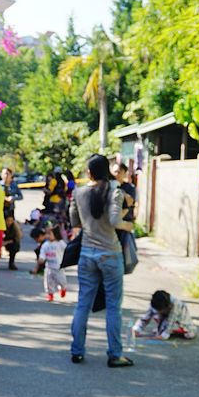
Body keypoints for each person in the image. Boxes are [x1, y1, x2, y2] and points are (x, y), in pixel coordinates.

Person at [69, 154, 135, 368]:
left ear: (89, 173)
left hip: (87, 253)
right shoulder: (114, 192)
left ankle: (77, 351)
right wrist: (128, 225)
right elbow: (115, 220)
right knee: (114, 307)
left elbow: (75, 221)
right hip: (110, 254)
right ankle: (115, 355)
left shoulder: (78, 193)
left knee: (83, 304)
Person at [133, 290, 197, 340]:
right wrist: (137, 329)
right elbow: (146, 317)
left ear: (167, 306)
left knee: (188, 335)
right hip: (167, 318)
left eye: (160, 311)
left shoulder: (176, 304)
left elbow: (171, 321)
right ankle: (164, 329)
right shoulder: (155, 302)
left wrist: (163, 335)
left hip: (181, 322)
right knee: (155, 315)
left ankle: (168, 330)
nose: (159, 312)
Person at [39, 225, 67, 301]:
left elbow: (67, 249)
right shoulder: (45, 245)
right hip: (49, 267)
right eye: (47, 234)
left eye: (50, 234)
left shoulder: (60, 243)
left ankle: (63, 288)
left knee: (61, 281)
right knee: (48, 282)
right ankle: (50, 294)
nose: (48, 236)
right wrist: (41, 258)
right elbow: (42, 253)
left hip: (58, 267)